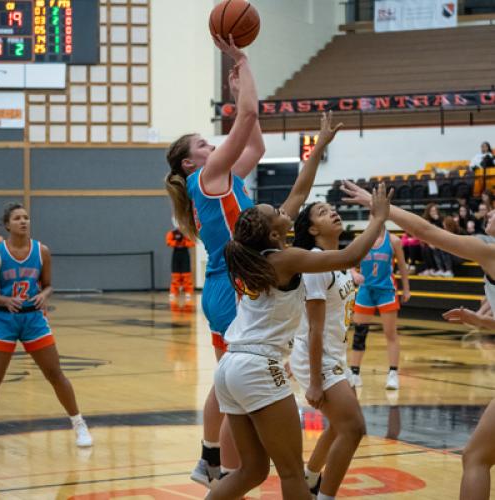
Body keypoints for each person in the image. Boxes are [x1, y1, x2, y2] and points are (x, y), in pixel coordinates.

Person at [165, 34, 343, 486]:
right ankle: (224, 472)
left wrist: (238, 82)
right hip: (232, 284)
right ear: (190, 164)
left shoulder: (227, 179)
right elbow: (246, 116)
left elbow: (255, 144)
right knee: (238, 386)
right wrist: (242, 62)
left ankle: (211, 461)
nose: (211, 147)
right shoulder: (207, 178)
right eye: (203, 144)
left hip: (235, 280)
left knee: (230, 376)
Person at [207, 184, 391, 500]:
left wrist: (319, 147)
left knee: (251, 471)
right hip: (257, 366)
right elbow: (351, 255)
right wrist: (377, 218)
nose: (284, 210)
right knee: (292, 472)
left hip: (230, 368)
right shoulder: (285, 259)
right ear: (275, 235)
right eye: (277, 212)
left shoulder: (256, 257)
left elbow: (299, 192)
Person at [341, 182, 495, 500]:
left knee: (476, 458)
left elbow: (427, 231)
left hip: (383, 289)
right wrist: (482, 321)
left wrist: (378, 205)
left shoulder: (490, 251)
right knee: (476, 457)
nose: (490, 212)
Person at [0, 203, 92, 447]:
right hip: (3, 319)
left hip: (34, 319)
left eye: (26, 217)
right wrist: (5, 300)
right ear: (7, 225)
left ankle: (78, 424)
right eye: (17, 218)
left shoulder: (42, 251)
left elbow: (48, 284)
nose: (23, 221)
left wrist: (44, 295)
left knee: (54, 373)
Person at [289, 201, 365, 499]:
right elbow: (313, 328)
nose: (332, 212)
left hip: (334, 353)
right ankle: (325, 495)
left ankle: (309, 479)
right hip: (319, 356)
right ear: (311, 229)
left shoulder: (338, 261)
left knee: (339, 426)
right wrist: (316, 380)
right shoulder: (315, 264)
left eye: (333, 208)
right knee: (354, 428)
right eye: (322, 212)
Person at [349, 224, 410, 390]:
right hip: (365, 290)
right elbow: (348, 261)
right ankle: (354, 373)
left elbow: (403, 266)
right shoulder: (361, 240)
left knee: (390, 333)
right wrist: (354, 274)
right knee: (360, 333)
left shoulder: (394, 241)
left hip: (386, 290)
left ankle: (393, 374)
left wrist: (406, 288)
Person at [165, 226, 195, 300]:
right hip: (176, 253)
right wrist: (176, 242)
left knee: (186, 273)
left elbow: (192, 243)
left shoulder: (187, 233)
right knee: (175, 274)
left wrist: (184, 241)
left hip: (185, 253)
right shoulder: (172, 233)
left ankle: (188, 292)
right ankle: (174, 292)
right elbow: (168, 242)